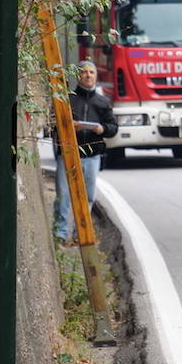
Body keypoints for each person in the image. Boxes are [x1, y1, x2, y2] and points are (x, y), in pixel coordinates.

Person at [54, 60, 118, 243]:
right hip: (67, 154)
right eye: (84, 72)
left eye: (91, 72)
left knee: (88, 196)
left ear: (96, 76)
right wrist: (67, 126)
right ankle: (60, 233)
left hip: (92, 156)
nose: (88, 75)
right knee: (64, 195)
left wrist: (102, 129)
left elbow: (113, 127)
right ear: (78, 75)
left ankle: (81, 233)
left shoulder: (103, 102)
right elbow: (53, 126)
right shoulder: (67, 99)